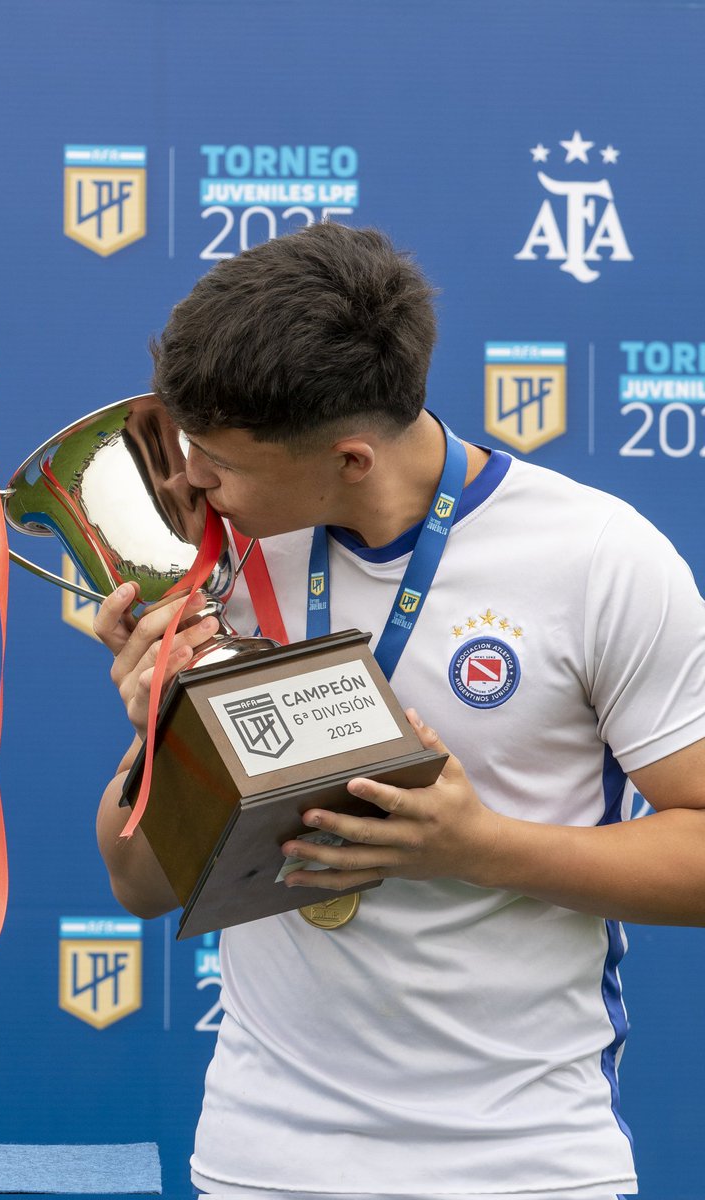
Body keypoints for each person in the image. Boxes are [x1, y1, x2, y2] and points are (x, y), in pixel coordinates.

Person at [94, 222, 705, 1200]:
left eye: (217, 459)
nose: (187, 481)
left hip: (525, 1166)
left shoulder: (596, 558)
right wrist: (158, 734)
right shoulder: (226, 557)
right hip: (262, 1162)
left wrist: (475, 846)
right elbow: (139, 884)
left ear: (348, 458)